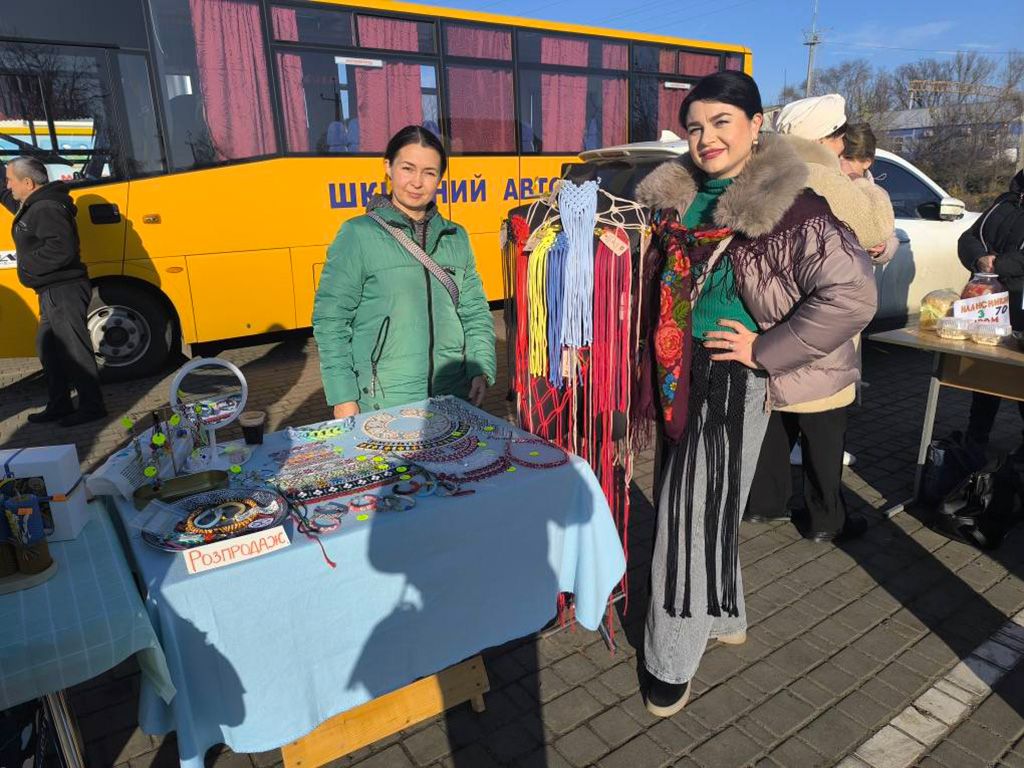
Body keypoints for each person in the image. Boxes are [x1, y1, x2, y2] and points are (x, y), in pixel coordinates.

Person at [636, 71, 876, 716]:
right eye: (695, 127)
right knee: (703, 504)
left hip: (729, 376)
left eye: (721, 122)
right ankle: (723, 615)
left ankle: (670, 659)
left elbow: (853, 295)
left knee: (686, 516)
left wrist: (766, 348)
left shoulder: (793, 205)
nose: (706, 138)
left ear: (756, 124)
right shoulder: (677, 198)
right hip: (675, 369)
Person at [743, 101, 897, 537]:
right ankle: (826, 518)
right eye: (838, 137)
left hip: (769, 315)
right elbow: (874, 230)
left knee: (777, 414)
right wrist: (865, 185)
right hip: (816, 318)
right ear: (825, 138)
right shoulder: (823, 175)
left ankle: (765, 503)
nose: (842, 145)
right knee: (824, 423)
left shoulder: (763, 171)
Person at [313, 126, 496, 417]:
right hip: (384, 402)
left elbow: (474, 312)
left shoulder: (456, 237)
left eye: (429, 172)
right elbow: (331, 321)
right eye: (407, 168)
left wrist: (480, 369)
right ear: (388, 167)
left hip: (454, 396)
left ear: (440, 178)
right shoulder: (357, 235)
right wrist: (343, 397)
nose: (417, 182)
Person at [0, 156, 106, 426]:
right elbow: (5, 195)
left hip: (63, 289)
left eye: (10, 180)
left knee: (74, 350)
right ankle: (60, 404)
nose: (8, 185)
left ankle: (92, 407)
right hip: (51, 290)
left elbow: (62, 249)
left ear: (28, 183)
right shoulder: (32, 203)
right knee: (47, 347)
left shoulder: (45, 207)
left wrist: (26, 266)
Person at [958, 168, 1024, 452]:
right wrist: (979, 259)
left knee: (1020, 380)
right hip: (987, 302)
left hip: (1020, 305)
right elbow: (968, 237)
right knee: (984, 375)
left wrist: (999, 265)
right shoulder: (1005, 201)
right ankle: (975, 440)